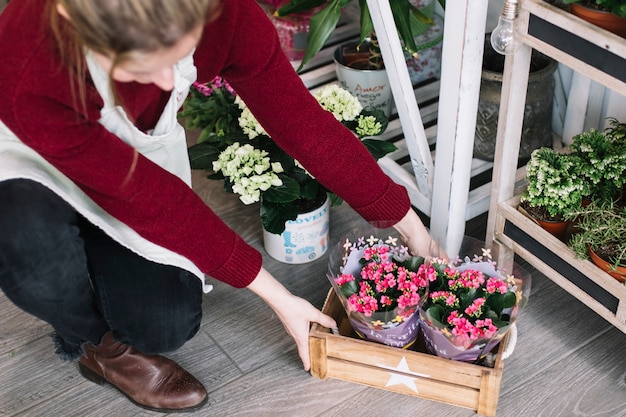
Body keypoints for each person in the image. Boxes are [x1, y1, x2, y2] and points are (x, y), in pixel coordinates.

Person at [0, 0, 446, 412]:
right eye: (140, 66)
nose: (165, 82)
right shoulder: (30, 62)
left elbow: (303, 124)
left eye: (176, 54)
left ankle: (95, 260)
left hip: (134, 163)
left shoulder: (227, 14)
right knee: (32, 253)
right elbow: (152, 201)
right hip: (27, 161)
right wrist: (281, 299)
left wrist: (412, 228)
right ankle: (97, 344)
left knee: (165, 325)